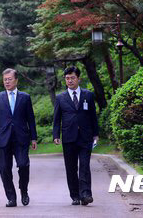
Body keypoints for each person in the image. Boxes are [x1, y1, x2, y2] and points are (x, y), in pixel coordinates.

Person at [0, 68, 37, 207]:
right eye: (5, 80)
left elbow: (31, 119)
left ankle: (24, 190)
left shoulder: (25, 97)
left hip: (21, 137)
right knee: (4, 168)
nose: (7, 82)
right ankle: (11, 197)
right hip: (4, 138)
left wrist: (33, 138)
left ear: (16, 80)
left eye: (10, 79)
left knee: (23, 165)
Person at [53, 66, 99, 206]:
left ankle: (86, 194)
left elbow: (93, 116)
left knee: (84, 166)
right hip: (69, 137)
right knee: (71, 168)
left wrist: (96, 134)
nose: (70, 80)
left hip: (85, 136)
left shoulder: (88, 95)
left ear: (79, 78)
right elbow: (56, 118)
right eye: (67, 78)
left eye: (72, 78)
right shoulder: (60, 98)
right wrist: (56, 135)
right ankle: (75, 195)